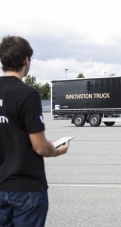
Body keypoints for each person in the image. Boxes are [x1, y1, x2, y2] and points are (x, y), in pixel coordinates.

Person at [0, 35, 69, 227]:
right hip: (25, 187)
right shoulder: (27, 94)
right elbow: (39, 147)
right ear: (26, 60)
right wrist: (57, 150)